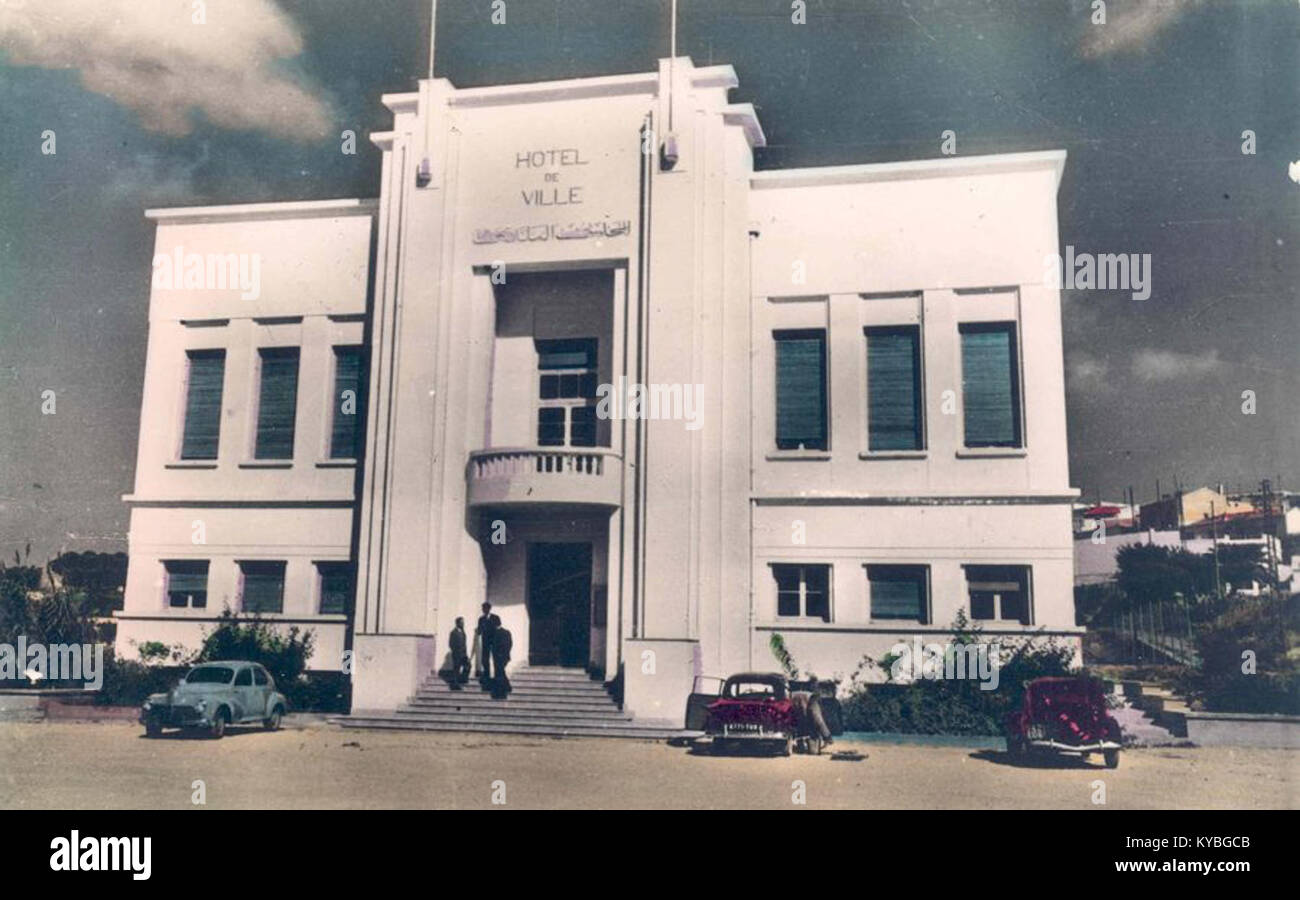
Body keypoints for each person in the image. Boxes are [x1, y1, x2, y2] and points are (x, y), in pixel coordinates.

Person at [475, 602, 501, 685]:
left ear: (489, 609)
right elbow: (479, 631)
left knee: (496, 658)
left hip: (494, 641)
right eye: (483, 609)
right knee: (485, 659)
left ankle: (497, 676)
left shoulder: (495, 618)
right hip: (485, 642)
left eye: (485, 608)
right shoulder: (481, 619)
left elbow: (498, 628)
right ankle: (487, 675)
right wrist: (478, 630)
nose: (483, 610)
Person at [491, 626, 513, 698]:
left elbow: (493, 646)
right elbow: (510, 644)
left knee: (499, 673)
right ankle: (507, 687)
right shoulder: (507, 632)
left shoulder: (496, 633)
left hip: (498, 657)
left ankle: (503, 690)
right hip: (504, 657)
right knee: (501, 672)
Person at [448, 617, 469, 688]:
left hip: (464, 654)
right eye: (461, 622)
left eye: (463, 622)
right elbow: (451, 644)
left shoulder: (463, 632)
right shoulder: (453, 632)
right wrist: (455, 651)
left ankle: (463, 679)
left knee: (468, 666)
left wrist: (465, 653)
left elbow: (464, 643)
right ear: (457, 623)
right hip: (457, 654)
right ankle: (455, 684)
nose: (463, 624)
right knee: (456, 669)